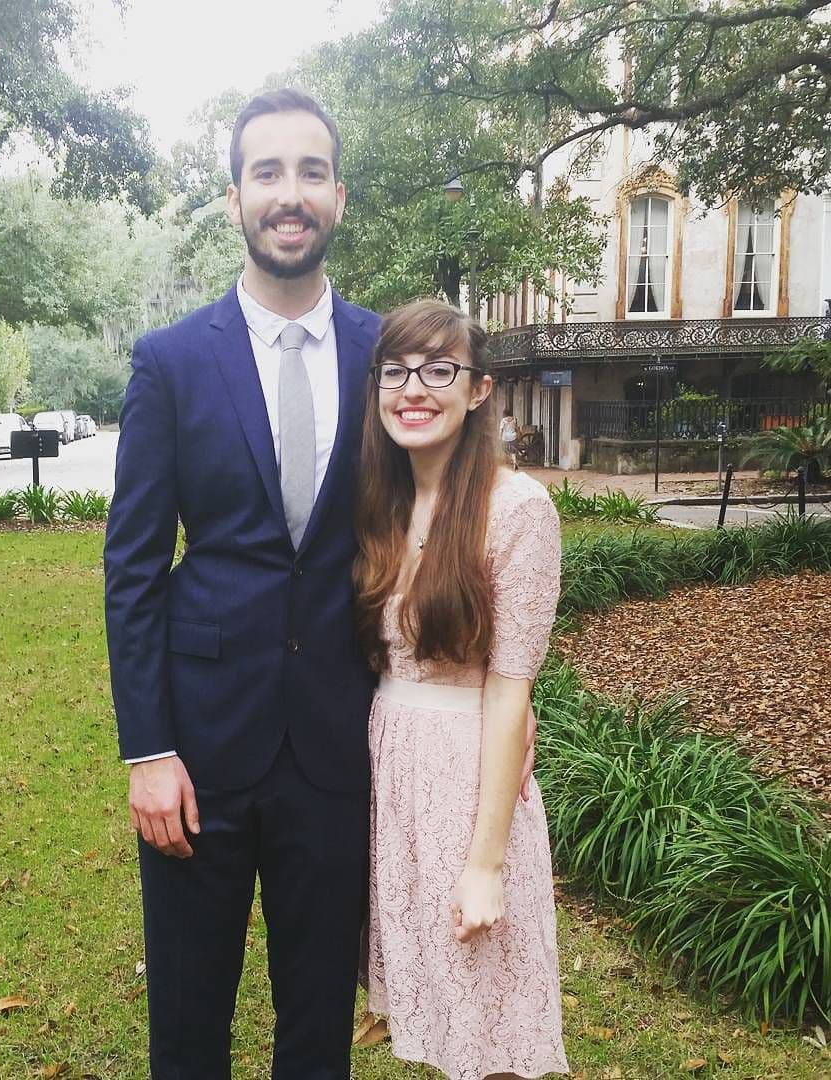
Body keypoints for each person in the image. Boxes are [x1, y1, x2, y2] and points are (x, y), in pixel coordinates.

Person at [103, 88, 380, 1079]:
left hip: (337, 748)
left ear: (338, 196)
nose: (289, 194)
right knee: (188, 1025)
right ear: (235, 198)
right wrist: (148, 751)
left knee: (317, 1033)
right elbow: (133, 567)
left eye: (310, 172)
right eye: (268, 172)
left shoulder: (388, 357)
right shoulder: (171, 362)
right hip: (200, 753)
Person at [355, 300, 569, 1080]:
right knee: (444, 1023)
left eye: (438, 370)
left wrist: (485, 862)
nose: (415, 389)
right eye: (397, 371)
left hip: (469, 784)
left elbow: (511, 689)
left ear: (477, 389)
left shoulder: (517, 510)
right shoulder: (378, 502)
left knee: (492, 1027)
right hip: (392, 780)